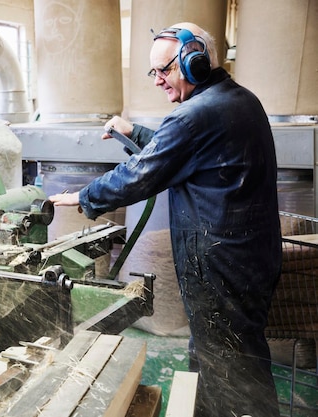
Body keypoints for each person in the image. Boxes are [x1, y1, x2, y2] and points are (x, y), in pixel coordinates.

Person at [49, 22, 282, 417]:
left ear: (195, 62)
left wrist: (82, 196)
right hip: (248, 258)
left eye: (164, 69)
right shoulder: (238, 100)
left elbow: (144, 172)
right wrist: (133, 130)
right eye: (152, 72)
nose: (157, 80)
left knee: (236, 373)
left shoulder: (194, 116)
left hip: (220, 266)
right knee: (222, 354)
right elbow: (182, 150)